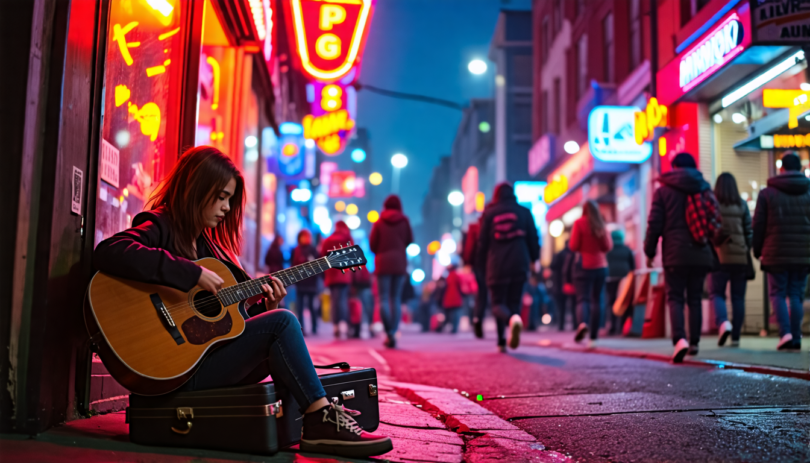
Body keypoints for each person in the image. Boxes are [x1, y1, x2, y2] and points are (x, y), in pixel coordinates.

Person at [93, 146, 391, 457]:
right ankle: (320, 421)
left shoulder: (214, 249)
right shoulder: (161, 224)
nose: (225, 207)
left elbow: (227, 328)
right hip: (169, 370)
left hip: (199, 364)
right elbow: (110, 251)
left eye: (229, 200)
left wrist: (267, 308)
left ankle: (314, 419)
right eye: (220, 197)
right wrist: (191, 273)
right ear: (196, 189)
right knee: (284, 323)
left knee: (280, 322)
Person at [644, 152, 718, 362]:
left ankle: (680, 340)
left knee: (675, 297)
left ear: (674, 167)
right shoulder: (703, 188)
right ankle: (694, 342)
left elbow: (654, 223)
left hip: (674, 253)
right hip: (701, 252)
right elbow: (714, 220)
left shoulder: (663, 191)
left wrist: (650, 252)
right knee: (694, 298)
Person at [753, 152, 810, 351]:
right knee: (796, 294)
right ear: (800, 168)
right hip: (803, 252)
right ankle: (796, 336)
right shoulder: (808, 190)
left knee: (777, 293)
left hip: (775, 251)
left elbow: (758, 225)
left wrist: (757, 249)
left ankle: (785, 334)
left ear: (781, 168)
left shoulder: (767, 193)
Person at [477, 182, 540, 352]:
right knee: (514, 301)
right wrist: (535, 260)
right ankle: (514, 319)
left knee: (498, 303)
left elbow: (482, 242)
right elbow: (534, 239)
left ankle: (502, 340)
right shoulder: (524, 212)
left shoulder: (489, 214)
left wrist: (481, 265)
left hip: (496, 264)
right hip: (520, 261)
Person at [711, 173, 752, 348]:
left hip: (719, 257)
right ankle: (736, 337)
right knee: (738, 297)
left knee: (717, 293)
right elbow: (749, 231)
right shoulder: (742, 205)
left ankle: (723, 323)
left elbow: (709, 230)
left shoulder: (713, 205)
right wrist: (745, 248)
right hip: (740, 258)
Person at [370, 195, 413, 348]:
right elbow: (409, 240)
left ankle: (388, 332)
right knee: (395, 298)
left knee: (382, 299)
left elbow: (372, 245)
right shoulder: (404, 221)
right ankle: (394, 332)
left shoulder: (379, 222)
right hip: (399, 263)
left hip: (383, 263)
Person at [570, 200, 612, 346]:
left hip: (583, 266)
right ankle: (593, 338)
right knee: (597, 300)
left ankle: (582, 324)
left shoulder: (579, 223)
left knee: (583, 299)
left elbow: (573, 246)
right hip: (600, 267)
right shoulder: (601, 223)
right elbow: (607, 246)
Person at [321, 221, 354, 339]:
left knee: (334, 301)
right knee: (343, 300)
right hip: (345, 275)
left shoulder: (328, 240)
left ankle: (336, 326)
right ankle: (344, 324)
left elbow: (322, 257)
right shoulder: (348, 239)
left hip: (332, 275)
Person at [606, 230, 636, 335]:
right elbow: (632, 265)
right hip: (624, 278)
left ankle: (613, 327)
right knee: (624, 302)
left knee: (611, 302)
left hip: (610, 277)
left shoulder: (608, 250)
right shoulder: (626, 249)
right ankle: (622, 326)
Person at [463, 216, 488, 338]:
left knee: (481, 294)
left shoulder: (474, 228)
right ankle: (504, 321)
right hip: (491, 263)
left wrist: (468, 263)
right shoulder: (490, 224)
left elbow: (469, 247)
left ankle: (478, 319)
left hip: (478, 265)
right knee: (494, 294)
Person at [291, 229, 319, 336]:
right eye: (304, 236)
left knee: (312, 306)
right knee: (300, 306)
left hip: (311, 282)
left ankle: (314, 327)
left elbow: (318, 266)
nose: (306, 238)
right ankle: (301, 328)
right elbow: (292, 265)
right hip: (300, 283)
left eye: (308, 236)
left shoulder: (313, 250)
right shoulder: (296, 250)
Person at [550, 242, 576, 331]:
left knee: (561, 306)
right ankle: (576, 325)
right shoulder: (574, 255)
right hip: (572, 283)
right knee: (574, 305)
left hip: (560, 283)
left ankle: (561, 325)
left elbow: (552, 266)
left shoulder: (560, 254)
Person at [437, 264, 464, 333]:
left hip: (448, 299)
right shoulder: (457, 276)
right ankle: (454, 328)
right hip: (456, 298)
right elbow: (460, 287)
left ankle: (446, 328)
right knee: (456, 315)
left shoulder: (448, 277)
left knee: (449, 315)